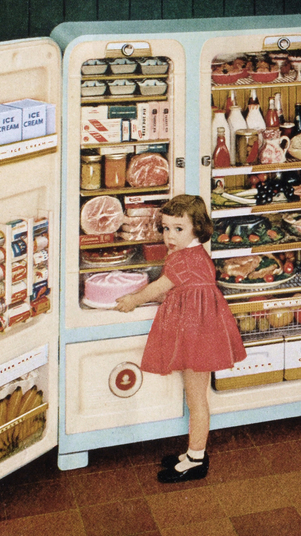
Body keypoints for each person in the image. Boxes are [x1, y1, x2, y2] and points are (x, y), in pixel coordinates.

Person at [115, 194, 247, 483]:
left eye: (178, 229)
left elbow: (159, 287)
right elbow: (178, 288)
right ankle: (191, 453)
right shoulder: (194, 255)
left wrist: (133, 300)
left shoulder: (182, 261)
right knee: (195, 397)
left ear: (197, 229)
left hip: (197, 335)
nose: (169, 236)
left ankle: (196, 459)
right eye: (165, 228)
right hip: (200, 331)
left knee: (197, 399)